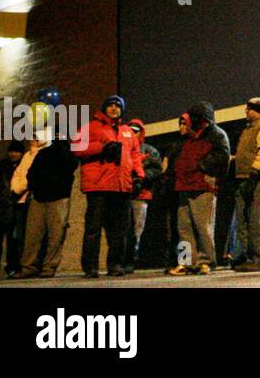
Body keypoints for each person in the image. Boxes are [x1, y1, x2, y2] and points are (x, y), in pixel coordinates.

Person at [72, 94, 144, 278]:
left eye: (117, 106)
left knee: (119, 231)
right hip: (98, 187)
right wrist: (101, 147)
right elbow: (76, 147)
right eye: (110, 105)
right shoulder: (91, 127)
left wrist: (138, 175)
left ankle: (115, 265)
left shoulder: (127, 132)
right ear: (104, 108)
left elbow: (135, 155)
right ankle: (91, 268)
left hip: (121, 187)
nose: (114, 108)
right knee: (93, 229)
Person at [169, 102, 230, 275]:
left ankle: (206, 262)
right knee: (184, 228)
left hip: (203, 188)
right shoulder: (186, 137)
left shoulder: (217, 135)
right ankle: (186, 262)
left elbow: (222, 158)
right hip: (183, 187)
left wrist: (201, 167)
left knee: (203, 227)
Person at [17, 110, 78, 279]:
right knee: (33, 235)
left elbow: (70, 169)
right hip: (40, 198)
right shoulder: (43, 153)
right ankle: (29, 267)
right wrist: (36, 186)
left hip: (58, 198)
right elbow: (31, 173)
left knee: (55, 235)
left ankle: (48, 267)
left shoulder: (69, 153)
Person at [231, 97, 260, 271]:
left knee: (255, 217)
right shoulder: (250, 127)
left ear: (256, 109)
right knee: (244, 219)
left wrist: (254, 173)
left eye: (248, 109)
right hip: (245, 178)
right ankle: (248, 256)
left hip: (258, 178)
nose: (245, 112)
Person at [123, 119, 161, 270]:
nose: (133, 133)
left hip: (141, 195)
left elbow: (157, 170)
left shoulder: (149, 150)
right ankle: (123, 260)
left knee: (137, 230)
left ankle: (132, 261)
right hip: (124, 194)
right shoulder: (123, 148)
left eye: (136, 130)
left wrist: (142, 178)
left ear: (141, 132)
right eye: (130, 130)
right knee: (124, 229)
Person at [0, 142, 26, 280]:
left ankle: (12, 267)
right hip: (0, 208)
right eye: (11, 151)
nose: (13, 154)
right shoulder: (0, 166)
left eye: (16, 152)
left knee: (14, 241)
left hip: (16, 208)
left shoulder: (23, 165)